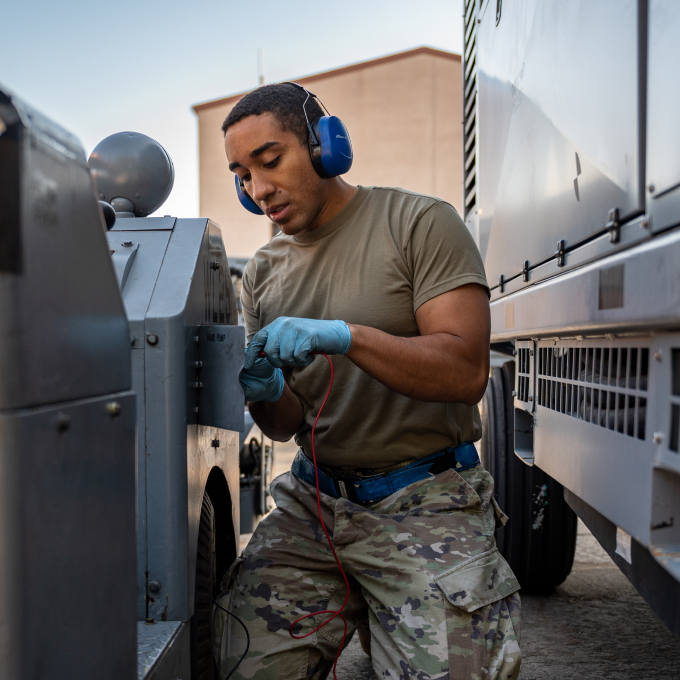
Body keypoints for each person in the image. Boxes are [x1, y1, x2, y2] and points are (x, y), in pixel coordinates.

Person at [213, 82, 521, 680]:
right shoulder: (263, 273)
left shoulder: (419, 223)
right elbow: (286, 425)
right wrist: (267, 392)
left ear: (325, 146)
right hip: (316, 504)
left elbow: (464, 371)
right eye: (242, 174)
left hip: (427, 499)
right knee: (238, 661)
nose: (259, 189)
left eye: (270, 161)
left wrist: (347, 336)